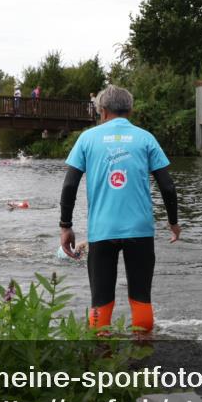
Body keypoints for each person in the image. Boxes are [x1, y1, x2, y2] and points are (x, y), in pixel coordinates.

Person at [59, 85, 181, 334]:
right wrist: (173, 221)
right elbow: (167, 186)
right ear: (130, 109)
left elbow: (70, 184)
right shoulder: (145, 138)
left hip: (102, 231)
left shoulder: (87, 139)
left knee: (100, 301)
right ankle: (143, 359)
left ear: (102, 111)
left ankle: (101, 358)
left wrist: (66, 226)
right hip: (140, 231)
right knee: (141, 298)